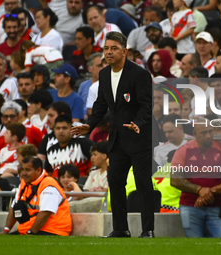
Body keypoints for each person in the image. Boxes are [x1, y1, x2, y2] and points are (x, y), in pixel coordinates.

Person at [72, 31, 155, 238]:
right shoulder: (104, 74)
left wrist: (138, 123)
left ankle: (148, 230)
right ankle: (120, 229)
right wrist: (88, 125)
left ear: (124, 51)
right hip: (116, 139)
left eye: (114, 48)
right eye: (106, 48)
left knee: (143, 183)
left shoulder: (140, 74)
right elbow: (100, 106)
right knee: (115, 182)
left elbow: (146, 105)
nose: (109, 52)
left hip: (138, 137)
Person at [170, 120, 221, 237]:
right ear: (194, 133)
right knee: (196, 246)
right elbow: (175, 179)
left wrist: (208, 192)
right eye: (203, 133)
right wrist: (199, 189)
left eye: (210, 132)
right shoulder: (183, 151)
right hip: (190, 207)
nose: (208, 136)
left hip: (216, 207)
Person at [0, 156, 72, 235]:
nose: (23, 173)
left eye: (27, 170)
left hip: (52, 230)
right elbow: (14, 207)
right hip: (28, 229)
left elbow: (45, 212)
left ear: (38, 170)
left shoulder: (48, 184)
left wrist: (31, 233)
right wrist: (6, 230)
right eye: (22, 169)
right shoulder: (24, 183)